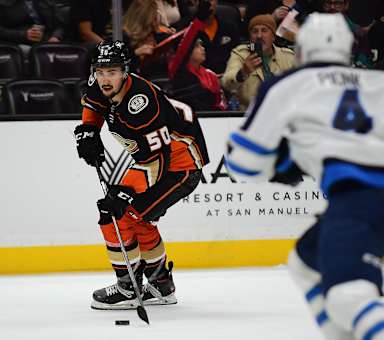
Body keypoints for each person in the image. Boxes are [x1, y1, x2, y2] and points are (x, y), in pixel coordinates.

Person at [225, 13, 384, 340]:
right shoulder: (381, 82)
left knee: (349, 295)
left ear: (301, 50)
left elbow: (246, 162)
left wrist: (279, 164)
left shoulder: (289, 84)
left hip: (357, 203)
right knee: (306, 263)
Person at [74, 40, 209, 310]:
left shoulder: (141, 104)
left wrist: (124, 191)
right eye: (100, 71)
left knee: (119, 213)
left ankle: (128, 288)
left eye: (111, 72)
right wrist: (89, 129)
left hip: (180, 166)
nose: (104, 78)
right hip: (157, 159)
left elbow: (156, 161)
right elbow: (95, 104)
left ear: (125, 71)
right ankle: (160, 286)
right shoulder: (99, 82)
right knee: (135, 217)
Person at [222, 14, 295, 110]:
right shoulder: (240, 54)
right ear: (250, 37)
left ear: (273, 36)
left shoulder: (288, 56)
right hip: (248, 114)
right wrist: (243, 72)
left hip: (282, 113)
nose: (259, 36)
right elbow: (227, 84)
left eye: (264, 30)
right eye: (254, 31)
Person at [168, 0, 226, 111]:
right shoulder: (177, 69)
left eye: (201, 45)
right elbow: (186, 45)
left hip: (213, 120)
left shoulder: (210, 75)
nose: (202, 48)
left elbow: (220, 104)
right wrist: (198, 21)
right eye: (197, 46)